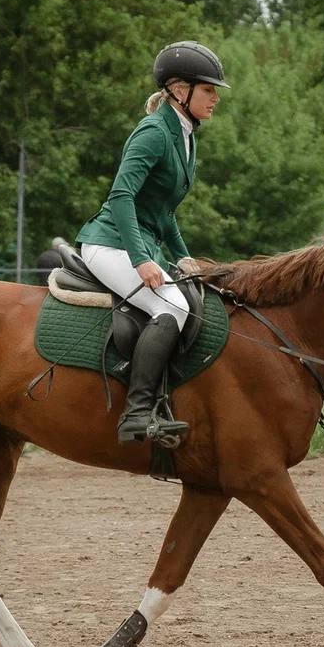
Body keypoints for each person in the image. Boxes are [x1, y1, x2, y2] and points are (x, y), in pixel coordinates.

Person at [75, 40, 229, 445]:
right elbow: (121, 196)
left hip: (139, 243)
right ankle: (137, 413)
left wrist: (184, 256)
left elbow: (163, 211)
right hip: (110, 244)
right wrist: (141, 259)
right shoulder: (154, 133)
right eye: (208, 89)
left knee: (189, 298)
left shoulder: (185, 135)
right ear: (179, 90)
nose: (215, 97)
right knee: (173, 306)